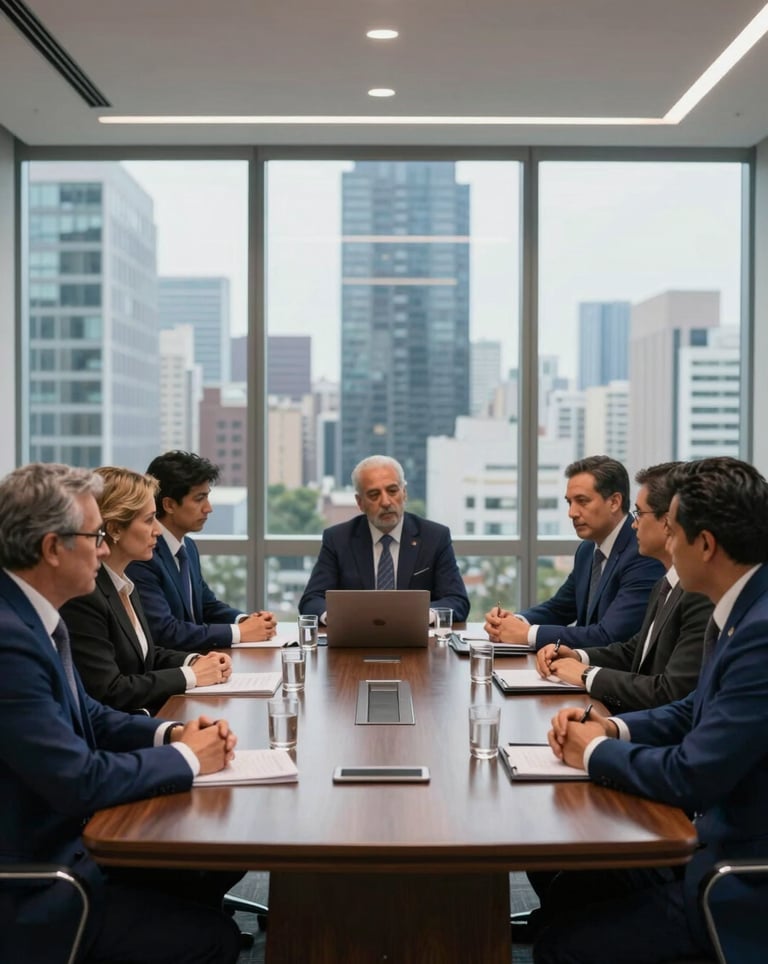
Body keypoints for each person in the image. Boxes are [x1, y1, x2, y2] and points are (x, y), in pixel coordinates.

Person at [0, 462, 241, 964]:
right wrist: (188, 760)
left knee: (209, 877)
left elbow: (92, 714)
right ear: (51, 548)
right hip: (39, 884)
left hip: (72, 846)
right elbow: (79, 779)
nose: (104, 549)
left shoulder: (30, 618)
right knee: (214, 937)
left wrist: (172, 732)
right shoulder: (10, 642)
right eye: (94, 537)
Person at [534, 456, 768, 964]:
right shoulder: (741, 607)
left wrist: (592, 753)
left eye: (670, 527)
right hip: (707, 840)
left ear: (703, 544)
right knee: (569, 890)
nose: (653, 535)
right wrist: (611, 728)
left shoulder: (758, 631)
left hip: (735, 879)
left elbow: (693, 774)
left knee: (560, 945)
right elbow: (691, 709)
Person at [534, 462, 713, 713]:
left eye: (640, 514)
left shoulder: (698, 593)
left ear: (670, 523)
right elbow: (634, 651)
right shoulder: (667, 582)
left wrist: (586, 675)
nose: (633, 524)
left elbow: (670, 693)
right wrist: (578, 657)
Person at [61, 467, 233, 715]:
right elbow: (111, 690)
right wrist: (191, 675)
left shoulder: (124, 582)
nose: (158, 530)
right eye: (149, 519)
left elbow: (146, 655)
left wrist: (195, 661)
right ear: (115, 529)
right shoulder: (86, 596)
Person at [485, 455, 663, 650]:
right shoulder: (588, 549)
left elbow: (609, 635)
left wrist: (526, 634)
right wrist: (515, 621)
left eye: (582, 501)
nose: (572, 513)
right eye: (569, 502)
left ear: (614, 502)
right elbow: (560, 608)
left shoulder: (642, 552)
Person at [128, 450, 276, 652]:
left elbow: (207, 606)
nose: (208, 508)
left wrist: (246, 621)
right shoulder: (143, 555)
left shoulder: (187, 547)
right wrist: (240, 633)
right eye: (199, 499)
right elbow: (164, 631)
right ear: (169, 504)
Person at [299, 454, 470, 623]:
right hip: (356, 640)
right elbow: (311, 600)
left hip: (418, 641)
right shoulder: (338, 539)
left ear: (404, 493)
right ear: (360, 503)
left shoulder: (434, 537)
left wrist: (424, 616)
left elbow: (457, 600)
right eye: (374, 494)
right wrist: (337, 617)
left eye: (392, 491)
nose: (386, 502)